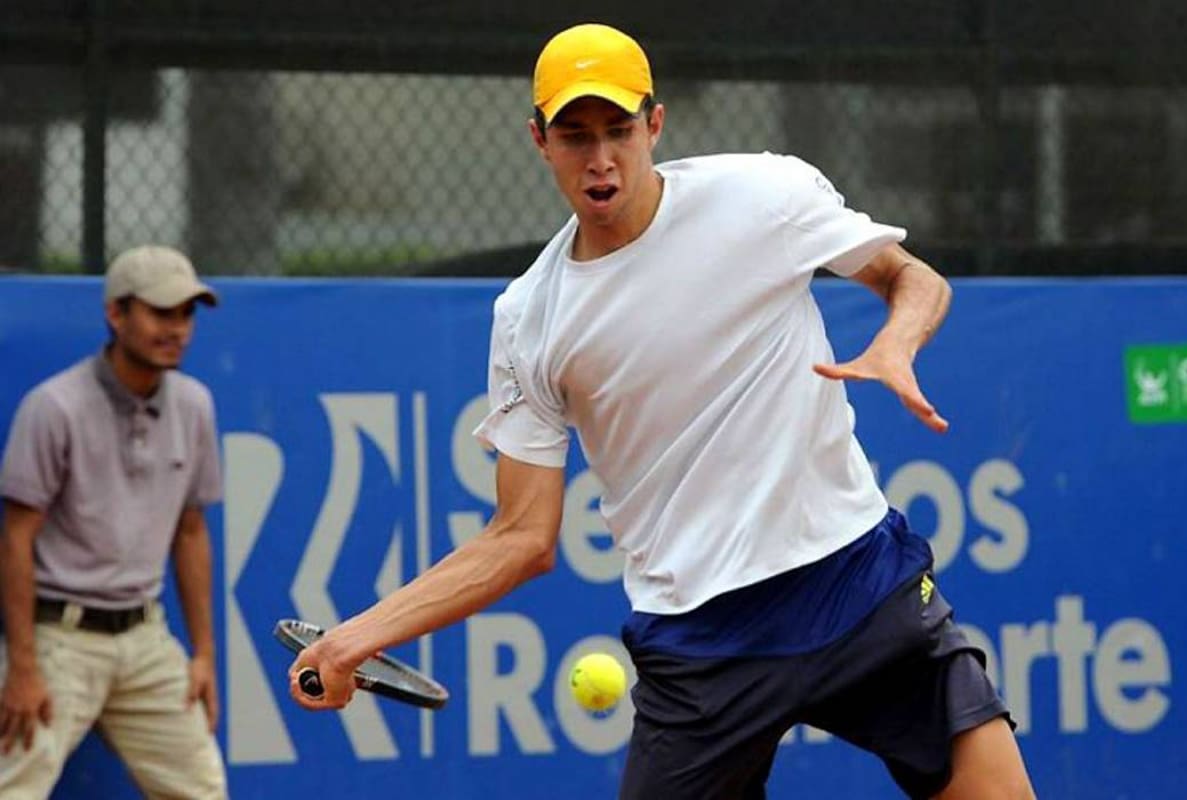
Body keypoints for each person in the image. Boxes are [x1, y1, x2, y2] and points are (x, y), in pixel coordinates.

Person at [287, 23, 1035, 800]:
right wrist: (352, 641)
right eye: (575, 136)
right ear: (539, 140)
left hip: (856, 581)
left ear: (655, 124)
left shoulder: (763, 196)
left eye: (618, 130)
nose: (600, 158)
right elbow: (521, 537)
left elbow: (912, 278)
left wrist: (896, 344)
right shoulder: (529, 319)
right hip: (702, 645)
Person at [0, 245, 228, 799]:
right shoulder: (53, 407)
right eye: (161, 312)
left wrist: (202, 654)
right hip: (60, 641)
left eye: (186, 314)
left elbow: (191, 532)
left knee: (203, 791)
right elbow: (16, 539)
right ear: (116, 314)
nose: (177, 329)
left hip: (147, 638)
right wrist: (24, 667)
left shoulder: (195, 405)